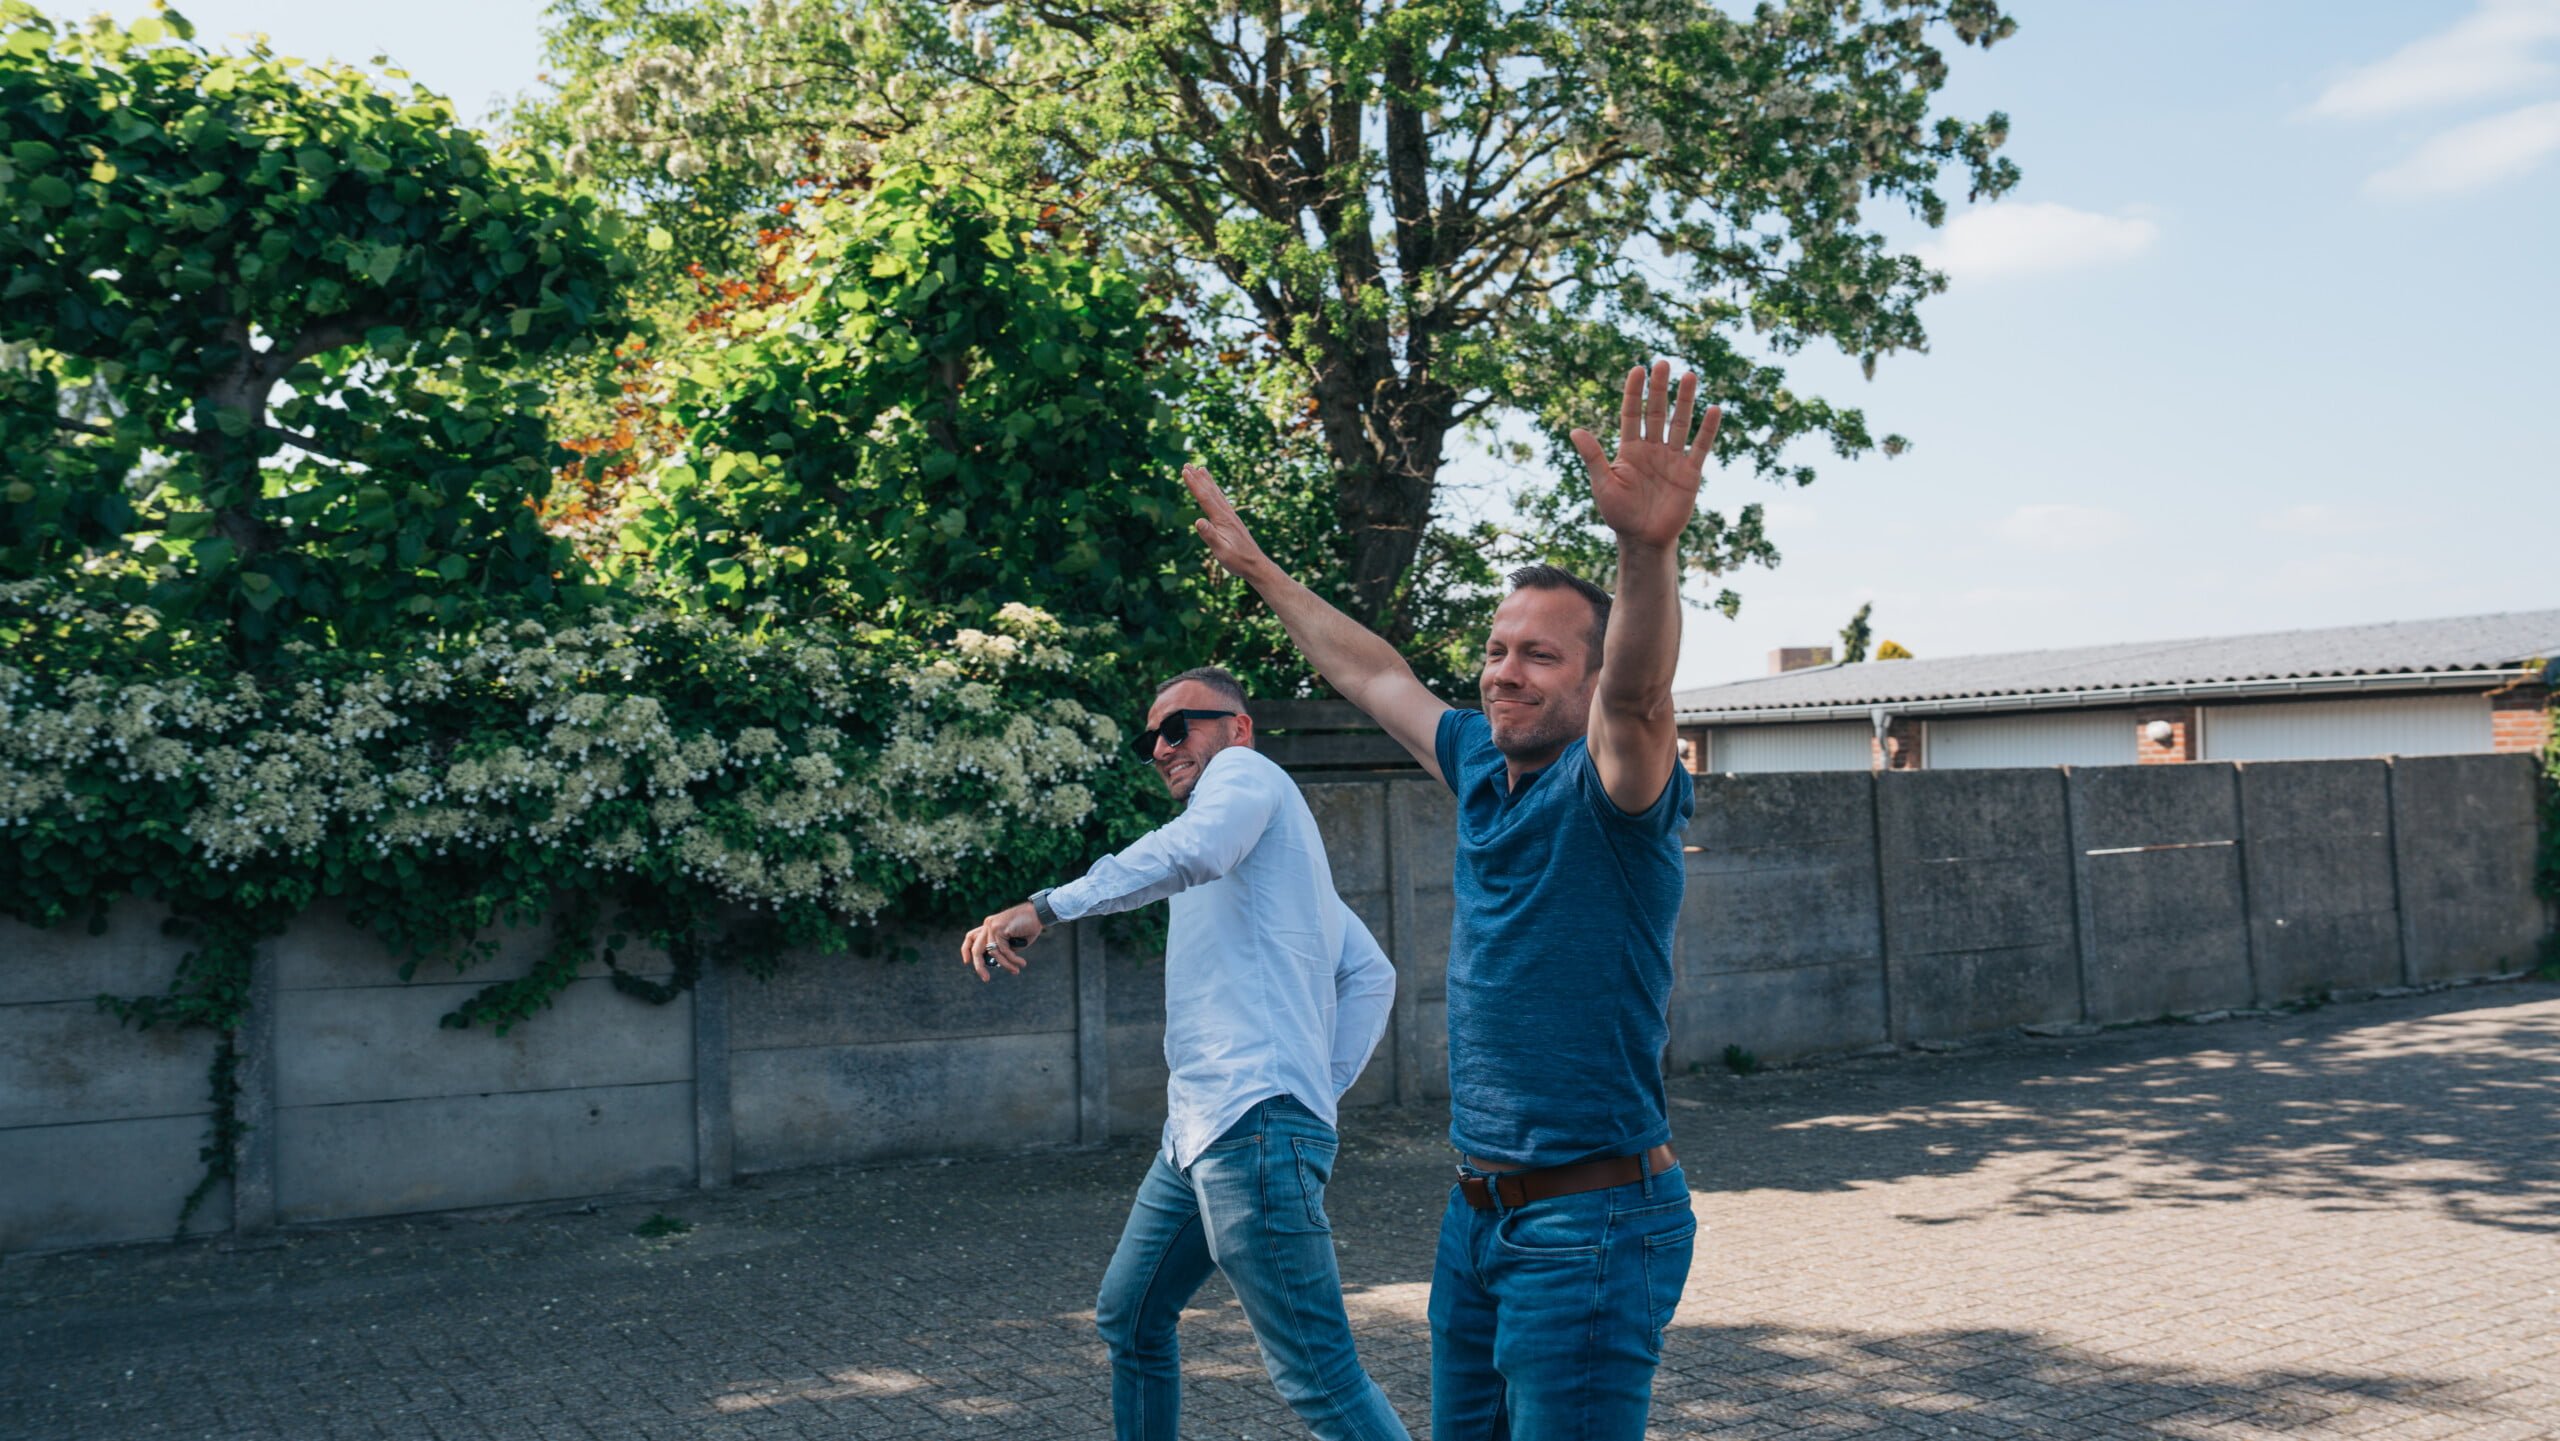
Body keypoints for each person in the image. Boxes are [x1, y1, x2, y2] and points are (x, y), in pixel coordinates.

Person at [1180, 361, 1719, 1438]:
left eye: (1540, 657)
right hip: (1477, 1214)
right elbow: (1372, 674)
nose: (1505, 672)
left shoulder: (1616, 784)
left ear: (1587, 675)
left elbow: (1640, 690)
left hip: (1593, 1224)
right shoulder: (1479, 763)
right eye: (1496, 649)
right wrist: (1261, 572)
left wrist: (1646, 549)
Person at [960, 666, 1410, 1441]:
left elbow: (1192, 850)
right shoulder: (1275, 854)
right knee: (1130, 1317)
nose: (1162, 746)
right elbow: (1372, 973)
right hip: (1201, 1132)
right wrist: (1315, 1090)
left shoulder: (1244, 776)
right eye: (1151, 737)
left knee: (1318, 1377)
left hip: (1251, 1127)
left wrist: (1045, 905)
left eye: (1180, 726)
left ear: (1239, 726)